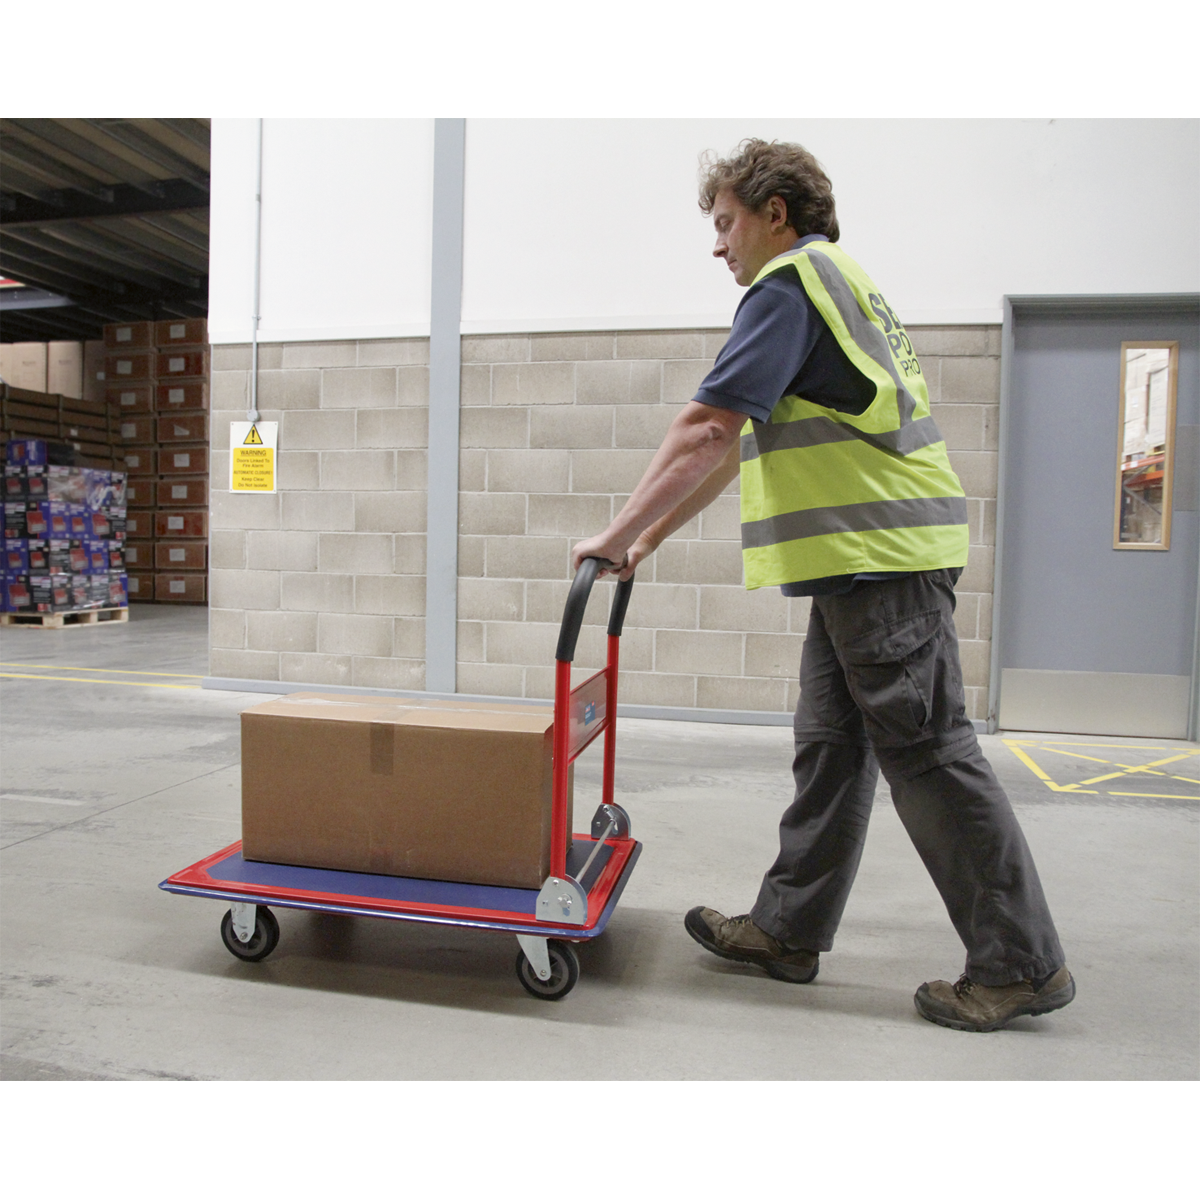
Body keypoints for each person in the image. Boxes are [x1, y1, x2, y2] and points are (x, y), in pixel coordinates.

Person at [570, 138, 1074, 1032]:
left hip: (883, 563)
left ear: (774, 214)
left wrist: (608, 534)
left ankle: (1021, 963)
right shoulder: (834, 285)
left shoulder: (790, 287)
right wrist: (646, 538)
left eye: (725, 222)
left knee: (929, 756)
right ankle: (787, 931)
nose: (717, 245)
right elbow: (735, 444)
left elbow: (706, 429)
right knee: (830, 748)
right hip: (859, 565)